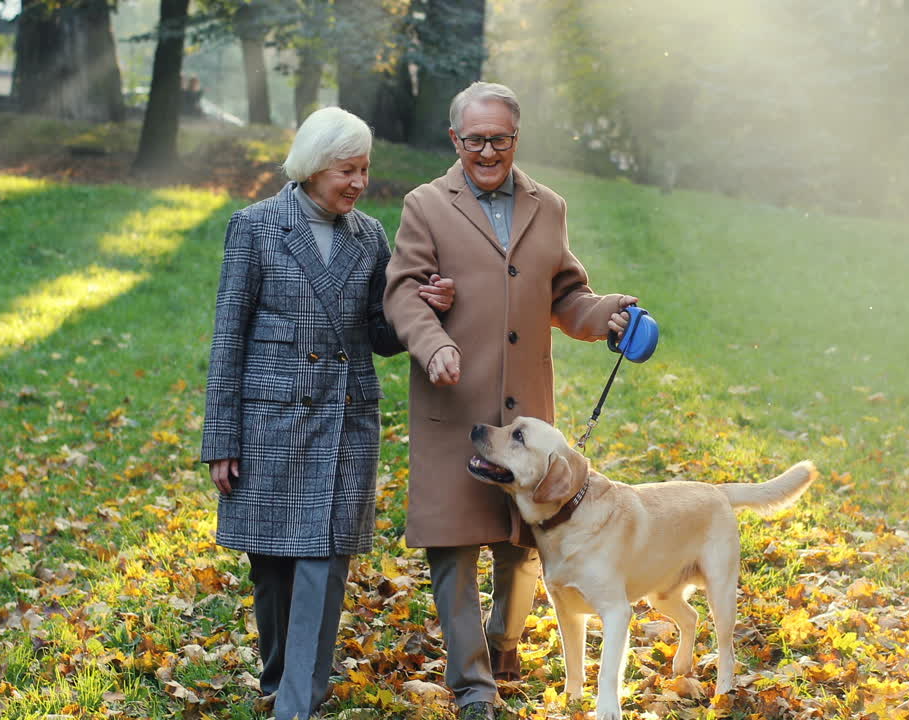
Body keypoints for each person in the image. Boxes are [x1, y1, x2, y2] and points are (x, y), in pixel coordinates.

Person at [384, 82, 638, 720]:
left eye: (500, 139)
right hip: (455, 403)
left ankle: (502, 647)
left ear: (516, 139)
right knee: (453, 544)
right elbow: (403, 293)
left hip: (524, 410)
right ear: (456, 142)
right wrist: (432, 342)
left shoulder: (547, 206)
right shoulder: (425, 206)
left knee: (524, 539)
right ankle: (473, 687)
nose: (488, 151)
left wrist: (604, 315)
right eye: (476, 140)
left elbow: (566, 296)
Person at [200, 106, 453, 720]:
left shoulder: (369, 236)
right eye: (348, 170)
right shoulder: (256, 226)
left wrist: (424, 307)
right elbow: (228, 336)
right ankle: (279, 677)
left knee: (324, 558)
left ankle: (298, 700)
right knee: (273, 565)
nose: (360, 183)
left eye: (365, 170)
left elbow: (378, 333)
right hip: (269, 421)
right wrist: (221, 438)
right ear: (314, 167)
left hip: (343, 417)